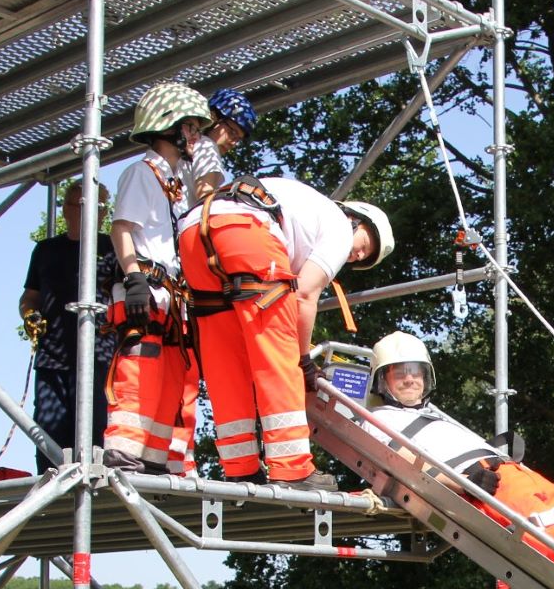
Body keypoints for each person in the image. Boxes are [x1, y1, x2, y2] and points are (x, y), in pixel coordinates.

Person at [358, 331, 554, 589]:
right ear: (382, 380)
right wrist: (462, 482)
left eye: (416, 372)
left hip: (511, 471)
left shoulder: (435, 414)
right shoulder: (378, 420)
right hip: (482, 481)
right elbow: (403, 462)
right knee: (550, 535)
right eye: (400, 373)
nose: (410, 379)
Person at [177, 174, 393, 490]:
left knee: (226, 361)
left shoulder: (303, 211)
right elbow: (304, 296)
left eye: (363, 259)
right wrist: (303, 359)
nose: (357, 256)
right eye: (365, 247)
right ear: (357, 221)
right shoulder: (338, 228)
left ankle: (241, 468)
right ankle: (293, 471)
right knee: (279, 356)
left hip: (194, 230)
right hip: (246, 228)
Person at [103, 80, 210, 474]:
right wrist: (132, 278)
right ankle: (124, 453)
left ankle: (160, 458)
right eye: (191, 127)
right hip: (146, 291)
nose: (197, 135)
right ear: (168, 126)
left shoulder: (177, 184)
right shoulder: (141, 173)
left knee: (174, 381)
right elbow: (122, 228)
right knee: (140, 373)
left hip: (173, 299)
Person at [19, 179, 121, 472]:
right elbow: (30, 296)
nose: (95, 211)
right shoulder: (45, 250)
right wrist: (29, 315)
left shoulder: (112, 247)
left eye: (101, 206)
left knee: (96, 427)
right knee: (49, 427)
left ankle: (95, 493)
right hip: (53, 356)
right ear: (65, 209)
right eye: (84, 203)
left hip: (100, 354)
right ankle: (51, 488)